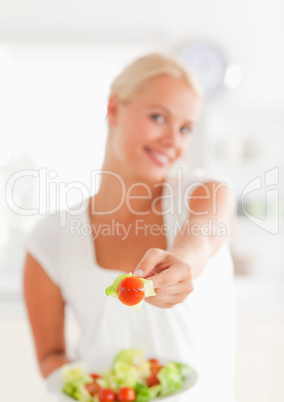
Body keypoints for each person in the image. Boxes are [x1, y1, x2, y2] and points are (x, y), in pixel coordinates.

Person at [23, 53, 236, 401]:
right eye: (158, 117)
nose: (173, 141)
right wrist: (90, 389)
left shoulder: (204, 194)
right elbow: (51, 357)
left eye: (185, 129)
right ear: (114, 109)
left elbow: (202, 237)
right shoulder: (51, 238)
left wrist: (181, 264)